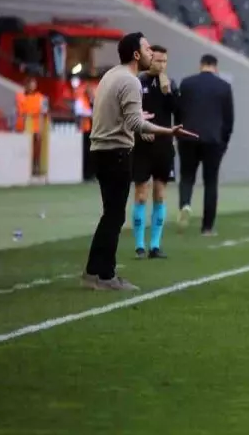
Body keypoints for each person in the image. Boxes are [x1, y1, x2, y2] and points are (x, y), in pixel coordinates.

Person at [82, 33, 193, 292]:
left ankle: (92, 272)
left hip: (100, 150)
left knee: (110, 214)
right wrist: (169, 131)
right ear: (136, 54)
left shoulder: (111, 74)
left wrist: (135, 115)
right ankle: (106, 275)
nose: (150, 53)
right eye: (146, 48)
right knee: (114, 216)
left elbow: (113, 111)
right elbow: (135, 124)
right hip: (116, 152)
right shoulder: (130, 81)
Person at [176, 54, 234, 235]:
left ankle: (185, 205)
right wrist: (224, 142)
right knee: (210, 182)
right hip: (213, 139)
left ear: (200, 65)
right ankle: (207, 227)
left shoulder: (186, 84)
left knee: (186, 177)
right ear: (215, 67)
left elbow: (178, 112)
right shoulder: (224, 87)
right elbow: (229, 119)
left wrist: (179, 135)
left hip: (188, 137)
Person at [132, 45, 179, 258]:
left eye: (164, 62)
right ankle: (139, 245)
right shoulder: (137, 82)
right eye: (158, 60)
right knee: (141, 195)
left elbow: (178, 112)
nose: (161, 65)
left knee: (160, 194)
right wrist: (140, 129)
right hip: (141, 147)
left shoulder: (169, 84)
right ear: (149, 60)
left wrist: (168, 92)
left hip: (164, 147)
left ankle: (155, 246)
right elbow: (128, 112)